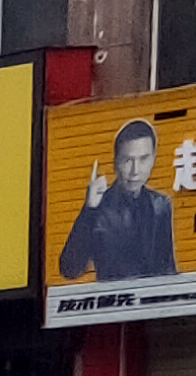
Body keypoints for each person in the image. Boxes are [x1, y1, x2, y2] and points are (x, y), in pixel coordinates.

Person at [59, 118, 178, 283]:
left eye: (143, 159)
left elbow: (168, 268)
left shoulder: (160, 205)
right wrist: (89, 210)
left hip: (152, 303)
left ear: (153, 159)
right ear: (115, 162)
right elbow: (70, 268)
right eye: (127, 160)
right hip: (113, 303)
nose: (135, 171)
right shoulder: (98, 206)